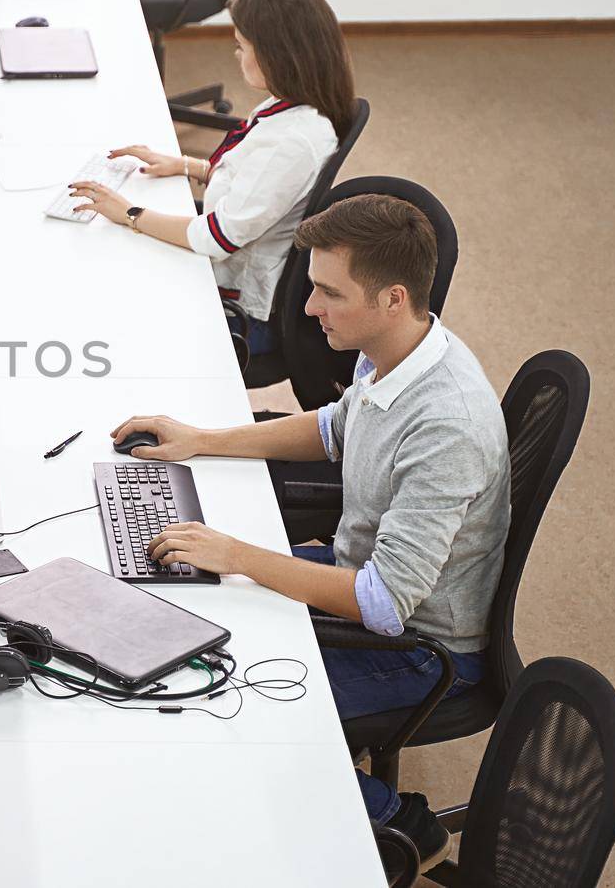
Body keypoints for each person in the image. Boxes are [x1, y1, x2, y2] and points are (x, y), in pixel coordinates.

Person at [109, 195, 509, 876]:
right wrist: (201, 439)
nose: (308, 308)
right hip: (358, 576)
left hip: (420, 647)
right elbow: (332, 428)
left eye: (329, 292)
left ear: (392, 298)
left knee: (219, 690)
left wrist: (238, 553)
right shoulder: (395, 350)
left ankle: (392, 821)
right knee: (188, 607)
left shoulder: (448, 427)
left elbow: (385, 604)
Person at [71, 0, 355, 356]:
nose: (236, 54)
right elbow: (258, 182)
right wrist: (189, 166)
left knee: (100, 272)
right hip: (226, 260)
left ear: (276, 54)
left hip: (238, 314)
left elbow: (219, 238)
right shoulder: (289, 106)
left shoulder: (294, 141)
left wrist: (130, 214)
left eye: (242, 46)